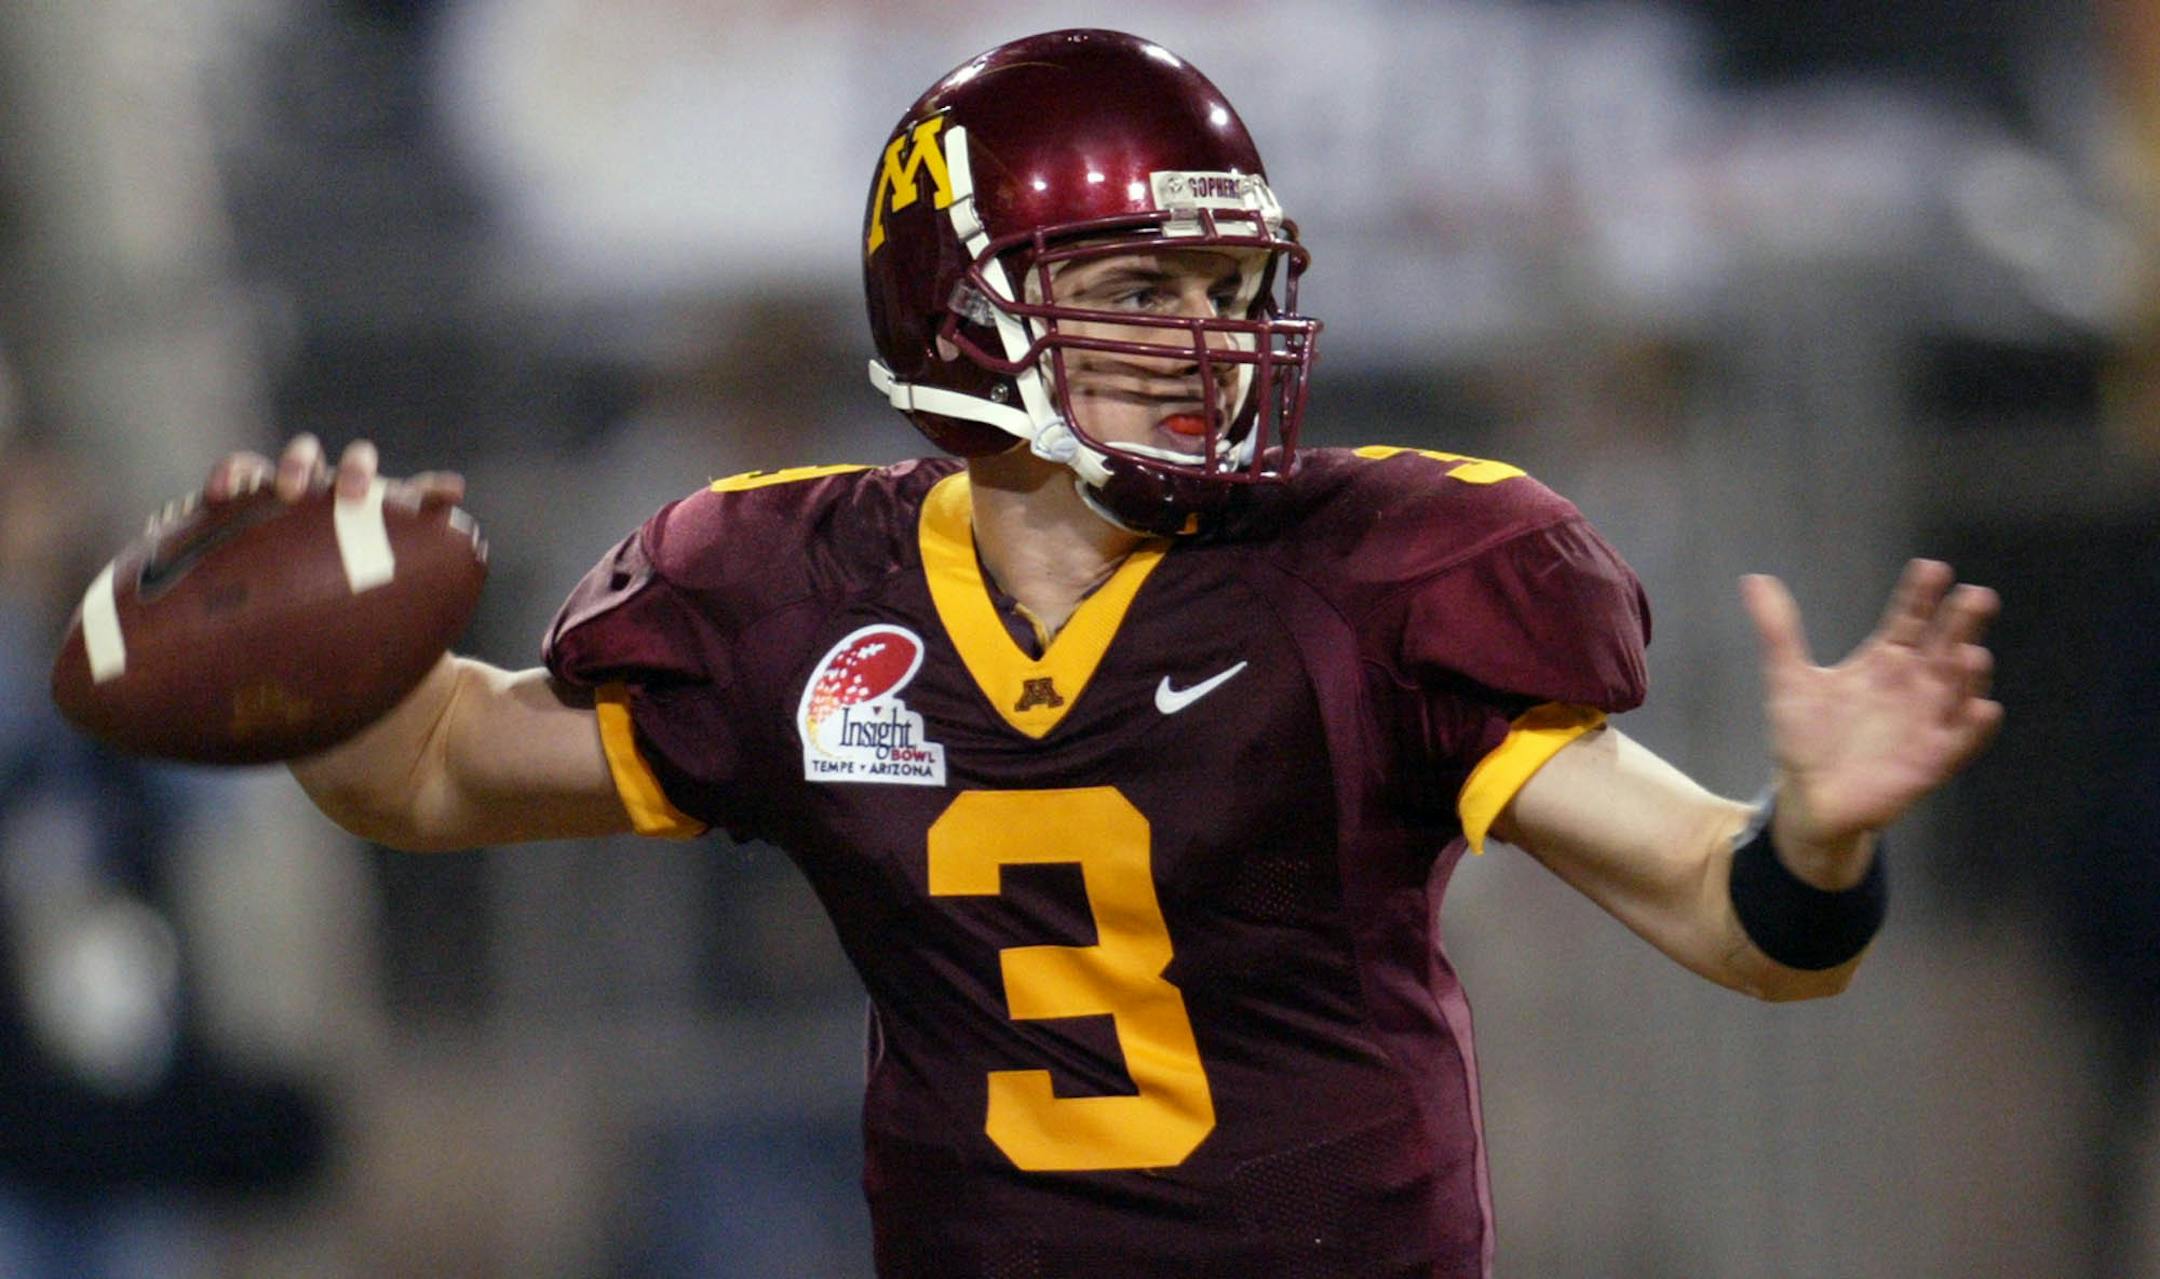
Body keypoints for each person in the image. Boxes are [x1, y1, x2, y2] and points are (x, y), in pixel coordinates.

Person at [191, 30, 1999, 1279]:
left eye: (1229, 295)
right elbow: (422, 776)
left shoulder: (1366, 575)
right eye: (1143, 293)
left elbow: (1732, 917)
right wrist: (308, 643)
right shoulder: (800, 589)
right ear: (964, 309)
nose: (1210, 344)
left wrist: (1818, 831)